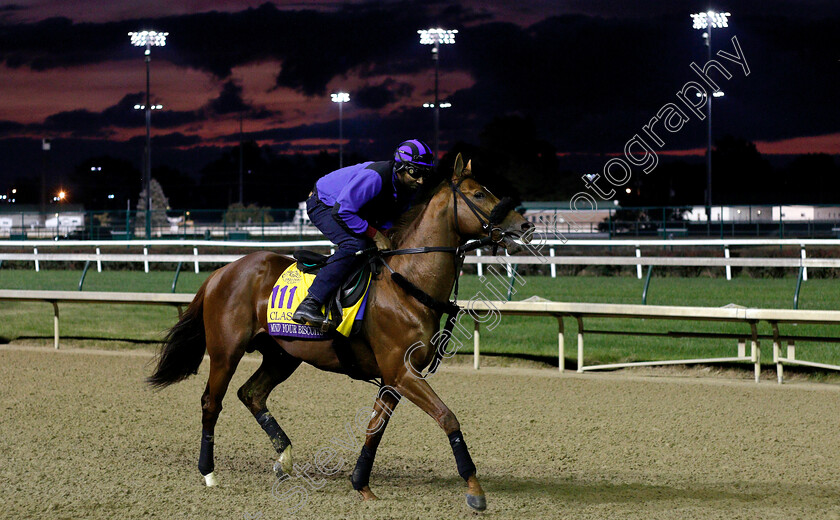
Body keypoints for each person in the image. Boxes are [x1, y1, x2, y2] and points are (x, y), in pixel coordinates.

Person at [292, 139, 433, 327]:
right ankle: (311, 302)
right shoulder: (375, 177)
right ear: (400, 167)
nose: (421, 180)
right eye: (416, 173)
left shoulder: (408, 187)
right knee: (355, 245)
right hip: (324, 204)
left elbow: (392, 219)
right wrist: (375, 235)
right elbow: (342, 211)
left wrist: (386, 234)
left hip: (351, 208)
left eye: (425, 174)